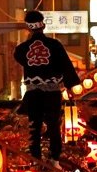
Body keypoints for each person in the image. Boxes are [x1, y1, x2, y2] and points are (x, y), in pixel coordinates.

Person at [14, 10, 80, 162]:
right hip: (52, 92)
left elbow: (20, 58)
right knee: (53, 125)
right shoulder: (55, 45)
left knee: (34, 126)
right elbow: (65, 65)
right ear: (43, 26)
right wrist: (69, 85)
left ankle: (35, 158)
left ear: (28, 28)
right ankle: (55, 158)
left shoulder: (22, 48)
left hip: (33, 93)